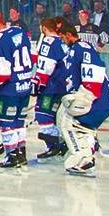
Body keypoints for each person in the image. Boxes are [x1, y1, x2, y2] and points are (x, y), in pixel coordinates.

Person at [55, 18, 109, 176]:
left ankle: (80, 157)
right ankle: (87, 157)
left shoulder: (80, 48)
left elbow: (92, 78)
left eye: (62, 38)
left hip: (96, 100)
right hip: (101, 102)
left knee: (65, 121)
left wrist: (84, 97)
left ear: (69, 35)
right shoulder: (80, 49)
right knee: (85, 129)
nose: (62, 41)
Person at [0, 7, 35, 168]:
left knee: (6, 123)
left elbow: (2, 73)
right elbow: (32, 55)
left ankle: (12, 156)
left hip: (8, 89)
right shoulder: (18, 31)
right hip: (24, 85)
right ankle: (21, 153)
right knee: (19, 122)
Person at [32, 16, 73, 160]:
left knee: (43, 114)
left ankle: (54, 146)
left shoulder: (47, 42)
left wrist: (37, 84)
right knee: (57, 117)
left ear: (44, 28)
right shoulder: (63, 42)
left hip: (51, 87)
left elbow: (46, 66)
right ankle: (63, 144)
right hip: (64, 86)